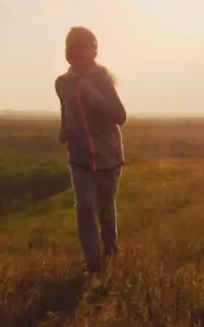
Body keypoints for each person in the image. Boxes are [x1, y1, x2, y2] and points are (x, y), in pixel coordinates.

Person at [55, 26, 128, 275]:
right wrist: (64, 129)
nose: (73, 51)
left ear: (93, 51)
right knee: (85, 208)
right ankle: (94, 267)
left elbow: (120, 116)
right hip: (80, 157)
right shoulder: (61, 83)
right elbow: (66, 109)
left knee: (105, 209)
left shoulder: (102, 80)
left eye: (80, 46)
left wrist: (94, 96)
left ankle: (111, 251)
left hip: (108, 157)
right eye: (69, 47)